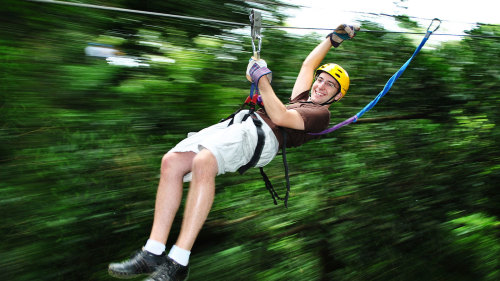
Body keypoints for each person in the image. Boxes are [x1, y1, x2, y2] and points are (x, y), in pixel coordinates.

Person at [108, 24, 359, 281]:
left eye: (330, 86)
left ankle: (178, 261)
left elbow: (280, 116)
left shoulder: (321, 115)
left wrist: (261, 78)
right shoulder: (303, 98)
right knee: (171, 162)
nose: (320, 86)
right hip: (243, 125)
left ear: (336, 97)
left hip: (261, 138)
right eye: (321, 79)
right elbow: (308, 65)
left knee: (205, 161)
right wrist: (332, 39)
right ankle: (153, 251)